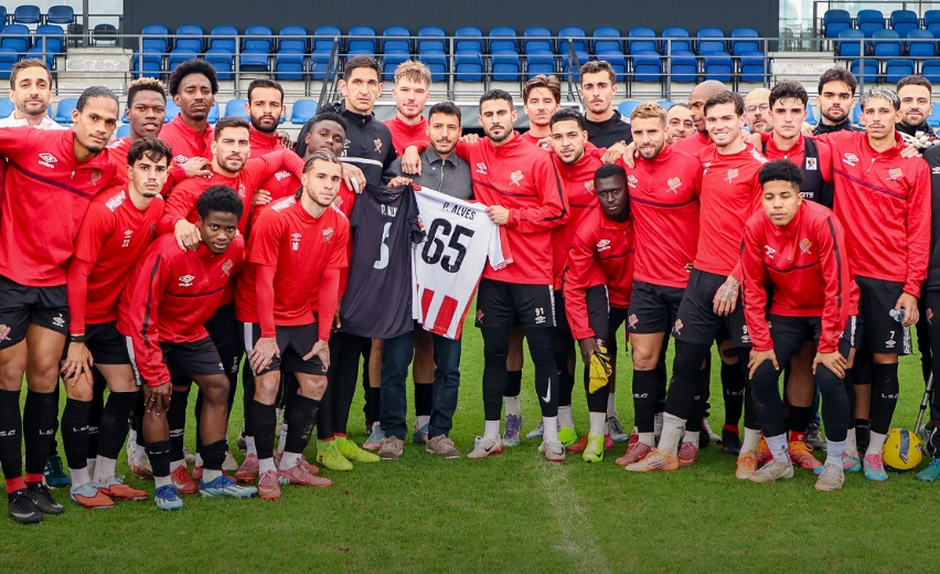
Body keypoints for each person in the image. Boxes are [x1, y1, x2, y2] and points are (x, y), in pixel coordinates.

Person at [158, 116, 305, 488]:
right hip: (184, 302)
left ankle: (213, 456)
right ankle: (174, 457)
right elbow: (166, 215)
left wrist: (311, 176)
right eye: (229, 143)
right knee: (177, 384)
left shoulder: (252, 171)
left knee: (221, 380)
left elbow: (285, 158)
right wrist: (177, 224)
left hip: (227, 302)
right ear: (213, 146)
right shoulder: (194, 185)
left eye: (243, 143)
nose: (237, 150)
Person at [0, 86, 124, 524]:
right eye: (95, 118)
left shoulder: (109, 168)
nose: (103, 129)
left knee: (44, 377)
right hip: (11, 279)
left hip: (56, 285)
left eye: (111, 122)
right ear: (75, 117)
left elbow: (150, 191)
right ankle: (14, 487)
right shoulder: (32, 141)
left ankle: (36, 480)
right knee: (9, 376)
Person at [625, 91, 767, 474]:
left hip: (743, 280)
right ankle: (667, 449)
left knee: (753, 367)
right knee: (685, 363)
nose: (719, 126)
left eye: (727, 119)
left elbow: (761, 234)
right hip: (701, 278)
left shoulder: (758, 167)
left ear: (742, 121)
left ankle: (750, 450)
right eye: (713, 119)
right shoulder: (699, 160)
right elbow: (655, 157)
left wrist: (735, 280)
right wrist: (625, 152)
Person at [813, 86, 931, 482]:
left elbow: (918, 231)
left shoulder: (913, 164)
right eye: (870, 110)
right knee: (843, 362)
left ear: (897, 116)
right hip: (847, 280)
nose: (876, 117)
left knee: (886, 365)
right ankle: (846, 447)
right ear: (861, 114)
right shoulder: (842, 143)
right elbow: (790, 137)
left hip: (890, 282)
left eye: (884, 111)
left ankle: (876, 452)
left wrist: (911, 288)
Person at [453, 90, 569, 461]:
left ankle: (552, 435)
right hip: (492, 276)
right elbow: (433, 138)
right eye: (488, 114)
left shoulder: (538, 158)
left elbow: (559, 212)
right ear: (481, 120)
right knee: (494, 354)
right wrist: (410, 151)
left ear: (514, 115)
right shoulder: (474, 150)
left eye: (502, 112)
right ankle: (490, 435)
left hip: (534, 275)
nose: (496, 120)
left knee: (543, 354)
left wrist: (513, 216)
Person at [128, 185, 256, 511]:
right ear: (198, 222)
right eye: (215, 227)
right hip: (150, 330)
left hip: (189, 332)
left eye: (230, 228)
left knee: (218, 386)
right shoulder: (168, 252)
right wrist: (155, 371)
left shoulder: (235, 249)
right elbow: (140, 315)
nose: (223, 235)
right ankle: (163, 484)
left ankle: (212, 477)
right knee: (158, 397)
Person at [61, 137, 170, 508]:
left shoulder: (156, 208)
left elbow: (168, 223)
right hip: (73, 319)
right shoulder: (105, 210)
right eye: (145, 167)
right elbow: (78, 274)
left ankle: (106, 475)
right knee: (82, 392)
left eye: (160, 169)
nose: (153, 175)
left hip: (109, 318)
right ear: (129, 170)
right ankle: (79, 483)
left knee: (125, 389)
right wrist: (76, 337)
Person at [742, 160, 855, 491]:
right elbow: (752, 287)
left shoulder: (822, 221)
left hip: (832, 310)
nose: (777, 204)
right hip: (788, 311)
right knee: (760, 372)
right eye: (769, 197)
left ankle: (835, 465)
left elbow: (838, 285)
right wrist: (761, 343)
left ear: (799, 197)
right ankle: (780, 460)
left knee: (828, 375)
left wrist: (829, 344)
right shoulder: (755, 226)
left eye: (785, 196)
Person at [239, 151, 345, 497]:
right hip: (260, 314)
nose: (328, 185)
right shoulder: (275, 217)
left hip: (301, 315)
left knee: (315, 382)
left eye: (334, 179)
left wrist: (324, 336)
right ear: (304, 179)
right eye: (321, 177)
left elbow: (330, 281)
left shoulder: (338, 223)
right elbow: (262, 282)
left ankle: (291, 463)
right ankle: (266, 468)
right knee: (267, 385)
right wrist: (267, 336)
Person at [615, 102, 702, 466]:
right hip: (646, 282)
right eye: (638, 133)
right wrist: (620, 150)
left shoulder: (690, 166)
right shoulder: (625, 163)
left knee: (689, 363)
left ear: (667, 131)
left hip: (687, 283)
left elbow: (713, 213)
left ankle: (693, 436)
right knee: (643, 358)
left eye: (653, 131)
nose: (646, 139)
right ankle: (644, 437)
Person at [563, 163, 635, 462]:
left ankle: (650, 431)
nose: (609, 198)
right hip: (604, 292)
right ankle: (598, 432)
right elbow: (574, 285)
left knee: (648, 358)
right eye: (602, 193)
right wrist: (584, 336)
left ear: (627, 189)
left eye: (615, 191)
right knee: (597, 357)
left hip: (643, 292)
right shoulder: (589, 227)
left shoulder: (643, 213)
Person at [544, 108, 603, 450]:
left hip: (591, 279)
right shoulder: (543, 165)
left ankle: (597, 431)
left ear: (584, 136)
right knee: (557, 353)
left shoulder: (600, 168)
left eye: (571, 135)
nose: (565, 143)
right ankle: (564, 425)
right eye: (558, 136)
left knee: (594, 352)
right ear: (550, 139)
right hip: (550, 277)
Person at [158, 59, 218, 164]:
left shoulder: (220, 139)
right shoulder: (161, 138)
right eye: (190, 91)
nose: (199, 97)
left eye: (205, 91)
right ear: (177, 99)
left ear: (212, 99)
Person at [579, 61, 632, 148]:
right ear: (581, 93)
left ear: (614, 90)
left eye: (602, 86)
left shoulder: (632, 130)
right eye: (589, 87)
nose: (595, 93)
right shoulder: (572, 132)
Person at [0, 59, 63, 129]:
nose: (34, 92)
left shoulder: (63, 136)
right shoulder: (1, 132)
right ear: (12, 95)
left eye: (41, 85)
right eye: (25, 85)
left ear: (50, 96)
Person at [384, 61, 431, 155]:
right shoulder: (380, 132)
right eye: (405, 90)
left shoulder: (438, 135)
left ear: (427, 96)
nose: (411, 97)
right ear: (394, 93)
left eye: (419, 91)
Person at [672, 80, 727, 154]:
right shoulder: (679, 148)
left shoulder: (743, 144)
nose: (692, 113)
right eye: (691, 107)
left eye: (698, 105)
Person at [813, 67, 861, 135]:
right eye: (829, 96)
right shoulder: (807, 138)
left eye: (844, 97)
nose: (836, 102)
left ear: (852, 103)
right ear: (818, 100)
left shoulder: (863, 139)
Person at [522, 74, 561, 147]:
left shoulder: (573, 146)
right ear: (525, 108)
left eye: (547, 101)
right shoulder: (515, 147)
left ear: (557, 107)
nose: (541, 107)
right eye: (534, 102)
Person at [896, 75, 934, 139]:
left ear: (930, 109)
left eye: (921, 101)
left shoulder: (937, 145)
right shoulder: (878, 144)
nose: (915, 106)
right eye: (907, 101)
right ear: (896, 107)